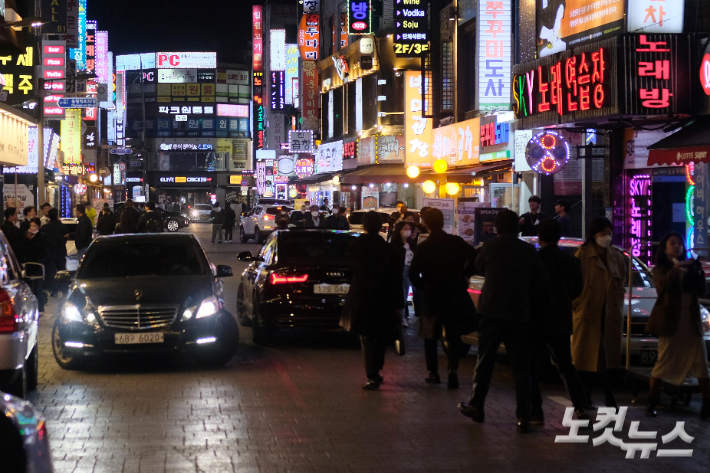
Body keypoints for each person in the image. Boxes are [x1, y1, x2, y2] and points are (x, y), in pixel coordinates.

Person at [458, 209, 549, 433]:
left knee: (485, 361)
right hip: (519, 314)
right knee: (521, 367)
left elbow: (476, 267)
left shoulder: (489, 248)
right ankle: (523, 416)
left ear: (496, 227)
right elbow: (541, 282)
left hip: (491, 312)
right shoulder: (529, 251)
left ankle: (477, 407)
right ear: (517, 227)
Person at [410, 208, 478, 390]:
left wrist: (423, 286)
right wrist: (464, 273)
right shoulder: (456, 242)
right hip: (454, 293)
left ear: (425, 223)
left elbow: (413, 272)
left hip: (432, 294)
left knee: (430, 334)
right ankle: (452, 369)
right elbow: (475, 257)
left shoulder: (424, 247)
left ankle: (433, 372)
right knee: (454, 334)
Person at [645, 233, 710, 419]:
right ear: (664, 249)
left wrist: (697, 272)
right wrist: (677, 268)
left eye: (679, 243)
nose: (677, 247)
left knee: (701, 362)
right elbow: (662, 286)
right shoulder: (661, 269)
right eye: (672, 243)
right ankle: (652, 400)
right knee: (664, 360)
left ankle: (707, 404)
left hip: (691, 320)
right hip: (671, 321)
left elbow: (701, 290)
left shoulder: (690, 267)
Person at [531, 219, 589, 422]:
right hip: (561, 319)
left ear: (539, 237)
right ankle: (580, 407)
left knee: (532, 367)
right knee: (566, 365)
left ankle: (535, 411)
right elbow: (577, 290)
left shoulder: (535, 260)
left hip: (536, 319)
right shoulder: (571, 261)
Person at [340, 211, 404, 390]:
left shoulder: (355, 246)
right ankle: (377, 367)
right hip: (385, 298)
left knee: (366, 337)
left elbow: (350, 268)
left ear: (364, 225)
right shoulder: (389, 249)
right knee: (382, 335)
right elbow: (396, 278)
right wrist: (399, 303)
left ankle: (372, 374)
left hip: (362, 297)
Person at [572, 217, 625, 410]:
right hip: (589, 311)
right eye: (603, 233)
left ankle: (585, 396)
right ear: (594, 234)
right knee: (596, 356)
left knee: (596, 356)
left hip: (609, 312)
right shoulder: (584, 254)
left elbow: (622, 281)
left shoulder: (616, 255)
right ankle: (609, 398)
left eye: (609, 233)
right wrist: (577, 303)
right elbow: (575, 282)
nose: (606, 237)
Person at [390, 221, 417, 328]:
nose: (408, 231)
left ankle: (402, 316)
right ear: (400, 231)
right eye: (405, 229)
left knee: (407, 294)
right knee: (403, 294)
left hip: (410, 270)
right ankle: (402, 318)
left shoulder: (412, 244)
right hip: (401, 270)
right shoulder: (396, 245)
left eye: (409, 229)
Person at [41, 208, 68, 297]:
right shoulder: (62, 227)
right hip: (60, 252)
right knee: (62, 271)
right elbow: (65, 239)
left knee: (51, 272)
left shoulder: (45, 228)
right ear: (57, 215)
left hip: (50, 253)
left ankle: (54, 290)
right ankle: (64, 289)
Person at [23, 218, 48, 312]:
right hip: (29, 264)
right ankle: (30, 308)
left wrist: (32, 240)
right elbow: (24, 249)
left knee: (38, 287)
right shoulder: (26, 236)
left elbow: (41, 250)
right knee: (29, 287)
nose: (32, 228)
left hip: (38, 264)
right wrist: (28, 239)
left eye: (34, 226)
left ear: (38, 226)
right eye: (31, 226)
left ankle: (39, 307)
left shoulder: (42, 236)